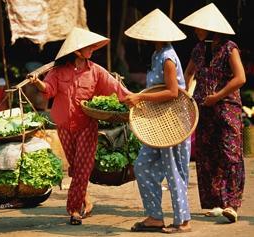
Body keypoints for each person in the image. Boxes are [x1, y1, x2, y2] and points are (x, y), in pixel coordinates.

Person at [29, 27, 131, 225]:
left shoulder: (96, 72)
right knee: (76, 168)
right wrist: (38, 83)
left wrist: (136, 100)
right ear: (77, 51)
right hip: (64, 126)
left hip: (86, 125)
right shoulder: (57, 72)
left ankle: (74, 210)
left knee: (83, 168)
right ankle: (84, 199)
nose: (92, 49)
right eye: (88, 47)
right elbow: (49, 90)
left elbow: (117, 89)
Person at [122, 9, 192, 233]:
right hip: (156, 122)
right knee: (141, 166)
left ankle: (183, 221)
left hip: (172, 122)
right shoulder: (157, 55)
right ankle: (154, 217)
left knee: (174, 170)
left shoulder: (168, 57)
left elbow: (173, 92)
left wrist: (141, 96)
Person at [180, 3, 246, 222]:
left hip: (227, 108)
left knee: (230, 154)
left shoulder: (229, 48)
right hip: (203, 109)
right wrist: (187, 92)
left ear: (210, 28)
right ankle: (216, 203)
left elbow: (240, 78)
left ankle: (232, 204)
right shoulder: (198, 49)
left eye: (199, 27)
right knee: (208, 155)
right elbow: (189, 71)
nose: (196, 31)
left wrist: (217, 96)